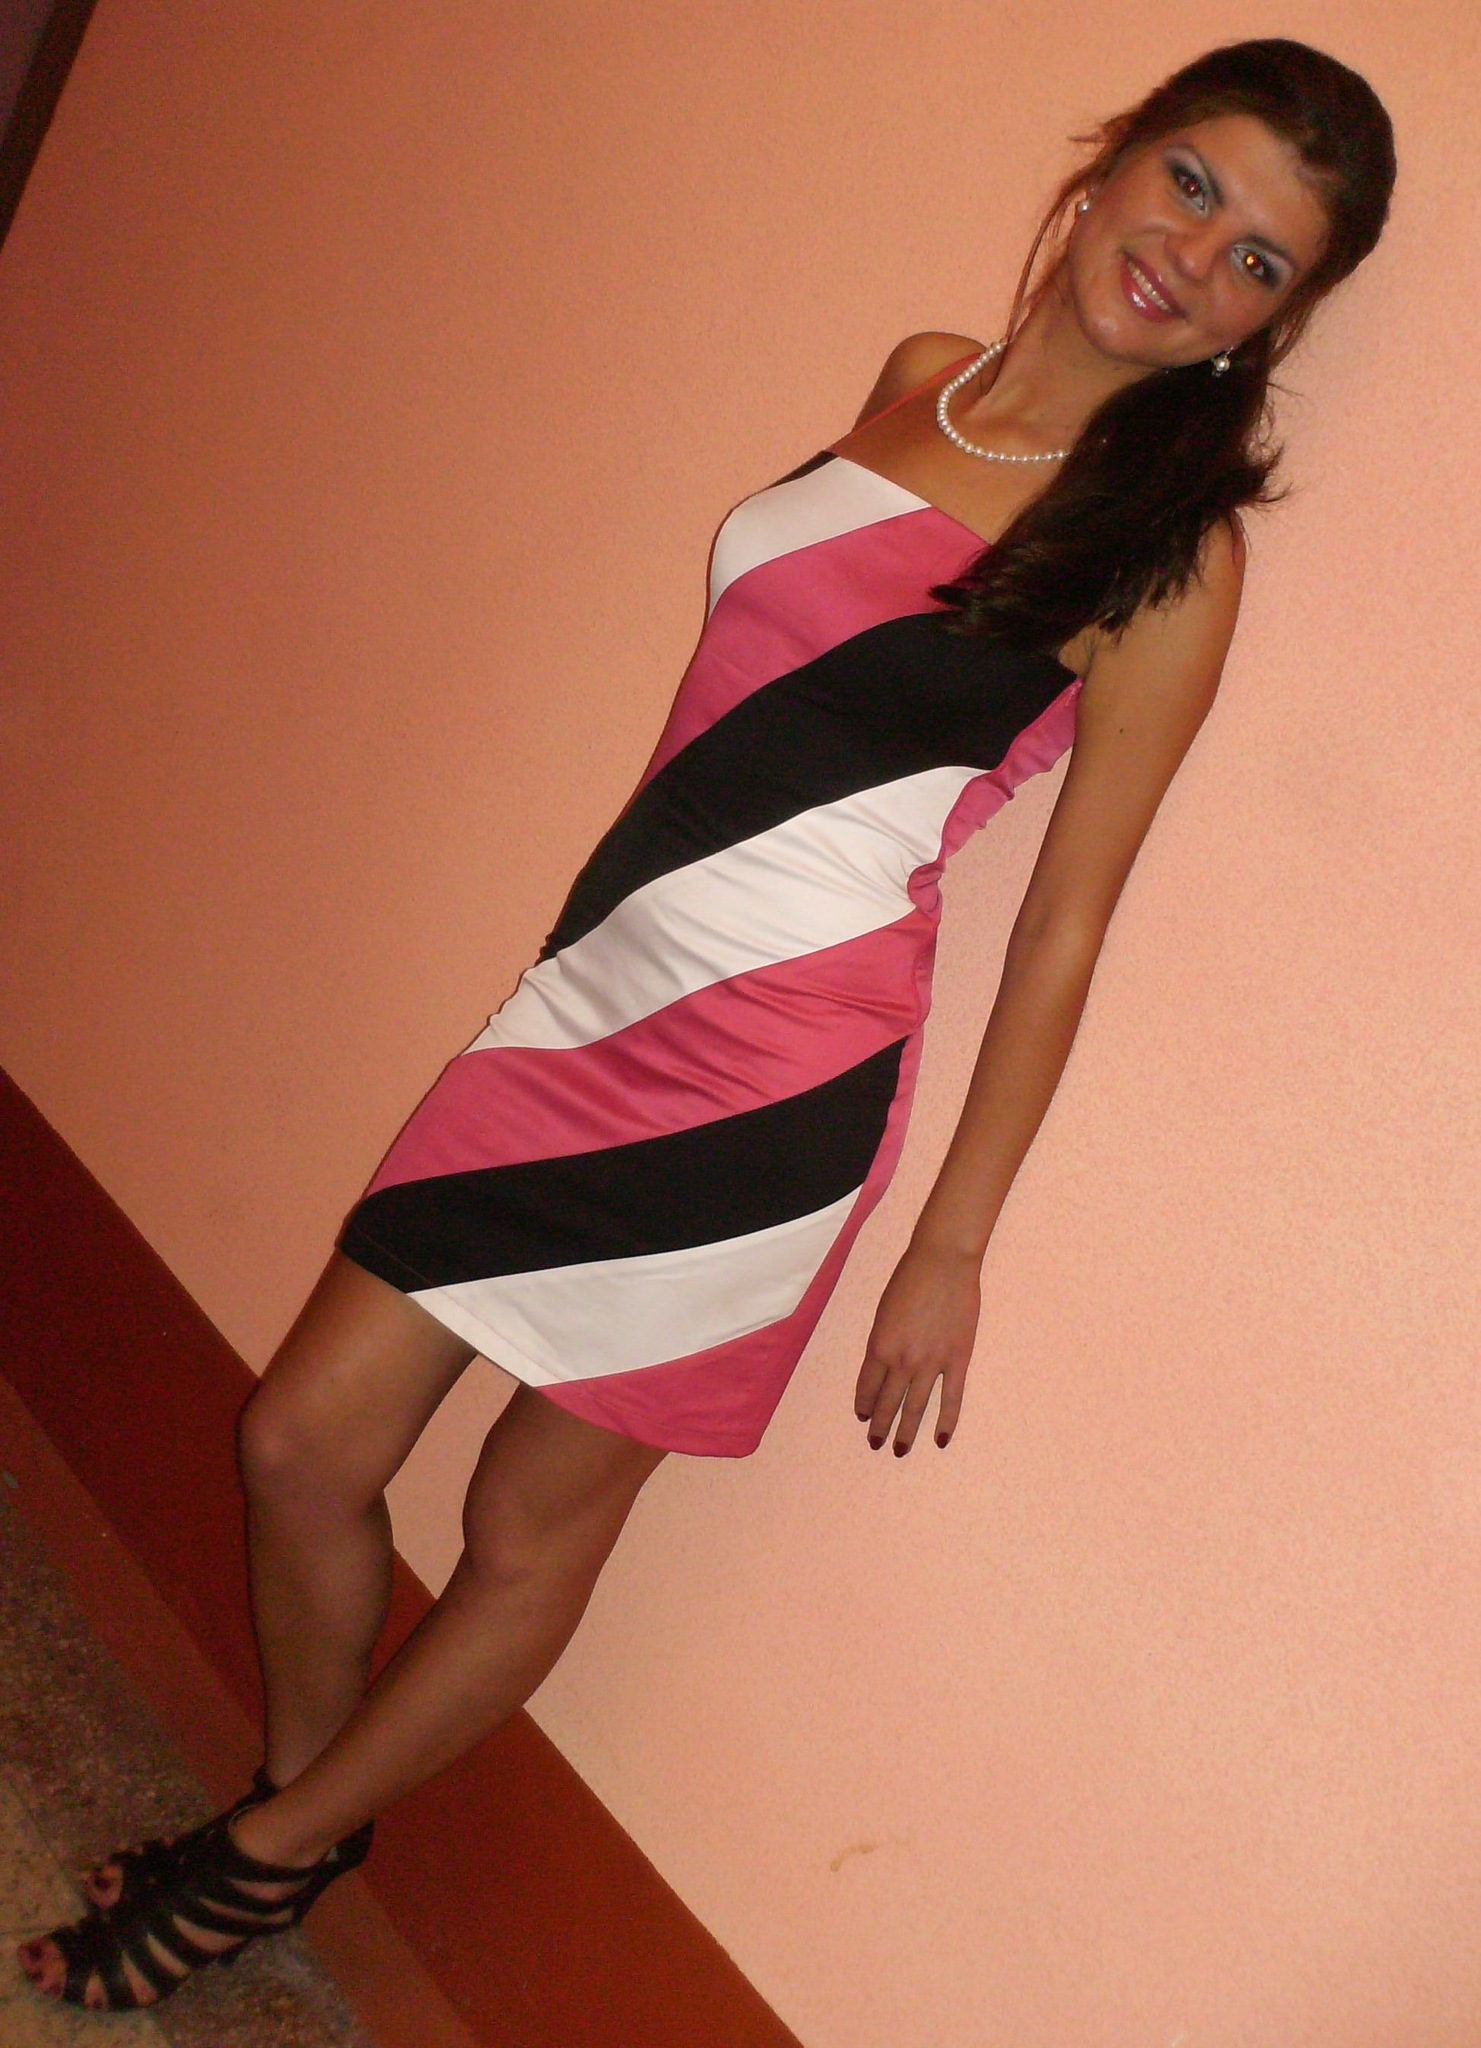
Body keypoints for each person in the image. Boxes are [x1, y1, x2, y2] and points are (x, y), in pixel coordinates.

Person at [21, 35, 1394, 2013]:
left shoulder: (1171, 558)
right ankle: (300, 1827)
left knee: (523, 1527)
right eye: (1194, 183)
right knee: (300, 1439)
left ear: (1271, 324)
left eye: (1260, 260)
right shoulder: (917, 376)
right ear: (1113, 160)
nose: (1196, 256)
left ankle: (252, 1864)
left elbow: (1065, 928)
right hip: (585, 997)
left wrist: (951, 1241)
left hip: (778, 1083)